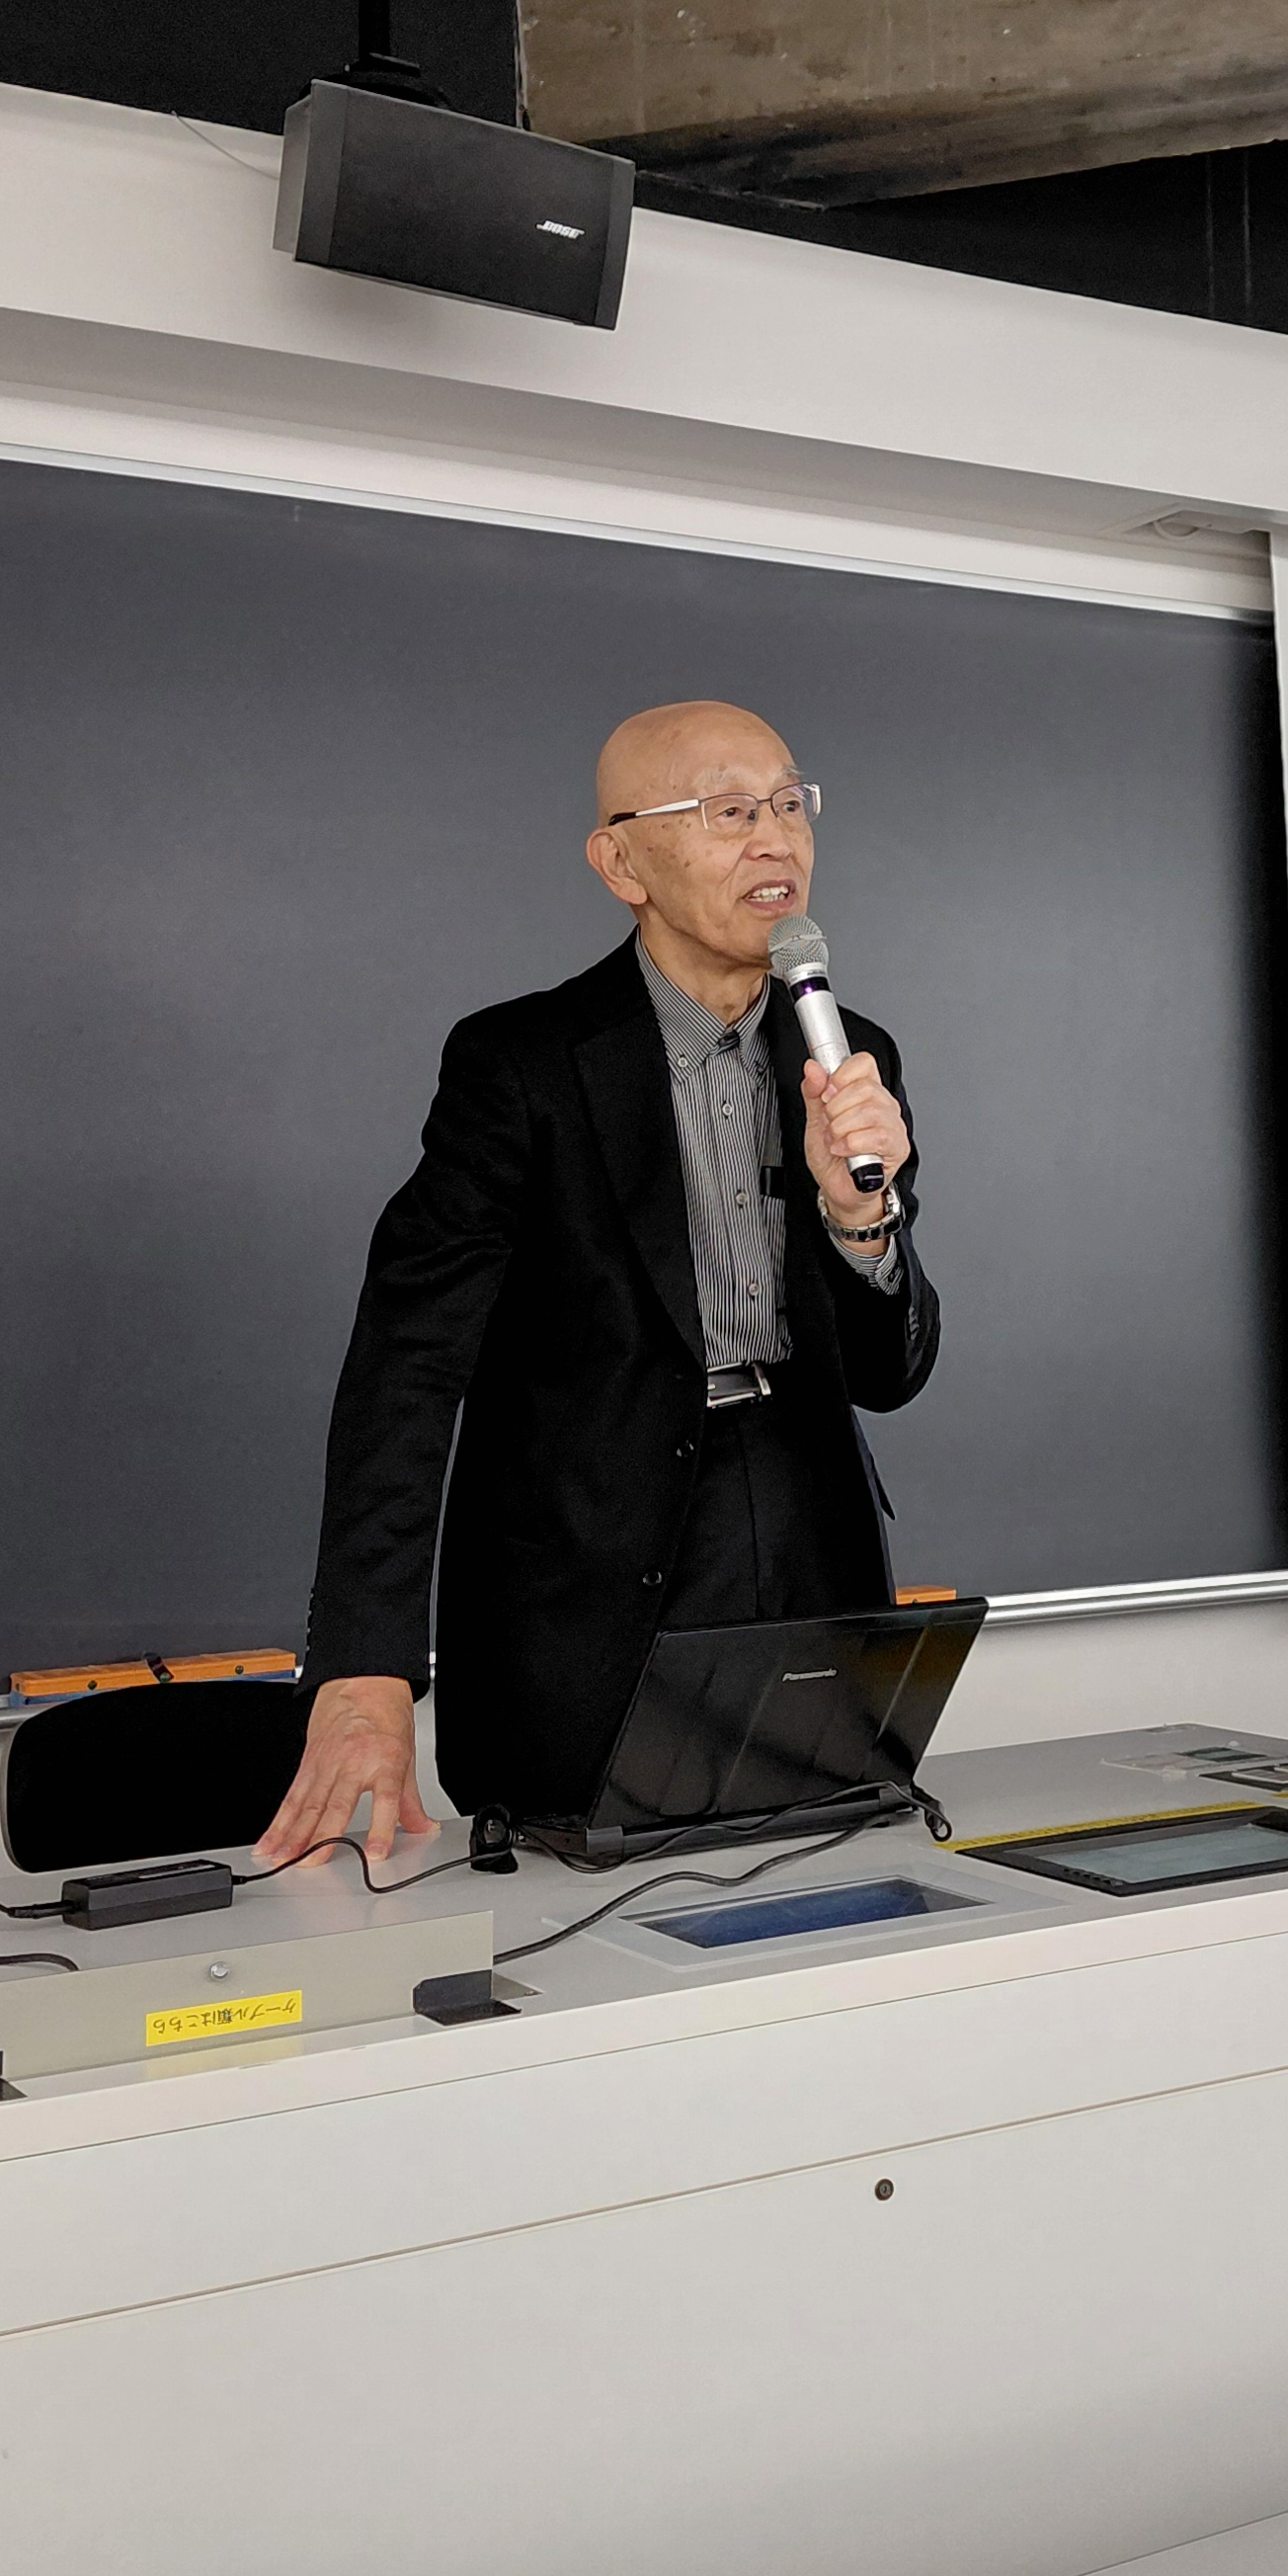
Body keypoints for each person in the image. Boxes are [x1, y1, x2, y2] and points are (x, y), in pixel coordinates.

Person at [262, 701, 937, 1859]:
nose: (775, 840)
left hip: (809, 1556)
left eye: (789, 804)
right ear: (622, 863)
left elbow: (889, 1375)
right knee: (578, 1902)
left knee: (824, 1897)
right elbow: (408, 1365)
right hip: (586, 1575)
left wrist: (859, 1219)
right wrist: (366, 1666)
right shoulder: (519, 1065)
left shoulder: (846, 1054)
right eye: (730, 812)